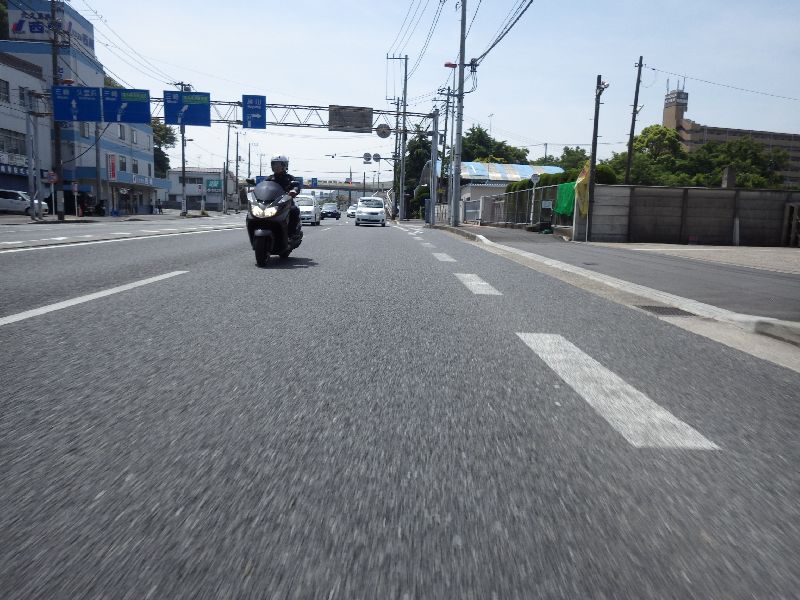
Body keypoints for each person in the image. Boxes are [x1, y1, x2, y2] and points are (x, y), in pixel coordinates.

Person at [266, 154, 301, 236]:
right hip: (270, 203)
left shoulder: (289, 178)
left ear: (285, 165)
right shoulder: (269, 178)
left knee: (294, 210)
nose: (276, 167)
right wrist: (256, 190)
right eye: (274, 164)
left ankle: (292, 234)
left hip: (286, 202)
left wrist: (294, 190)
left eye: (279, 164)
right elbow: (263, 186)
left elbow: (296, 186)